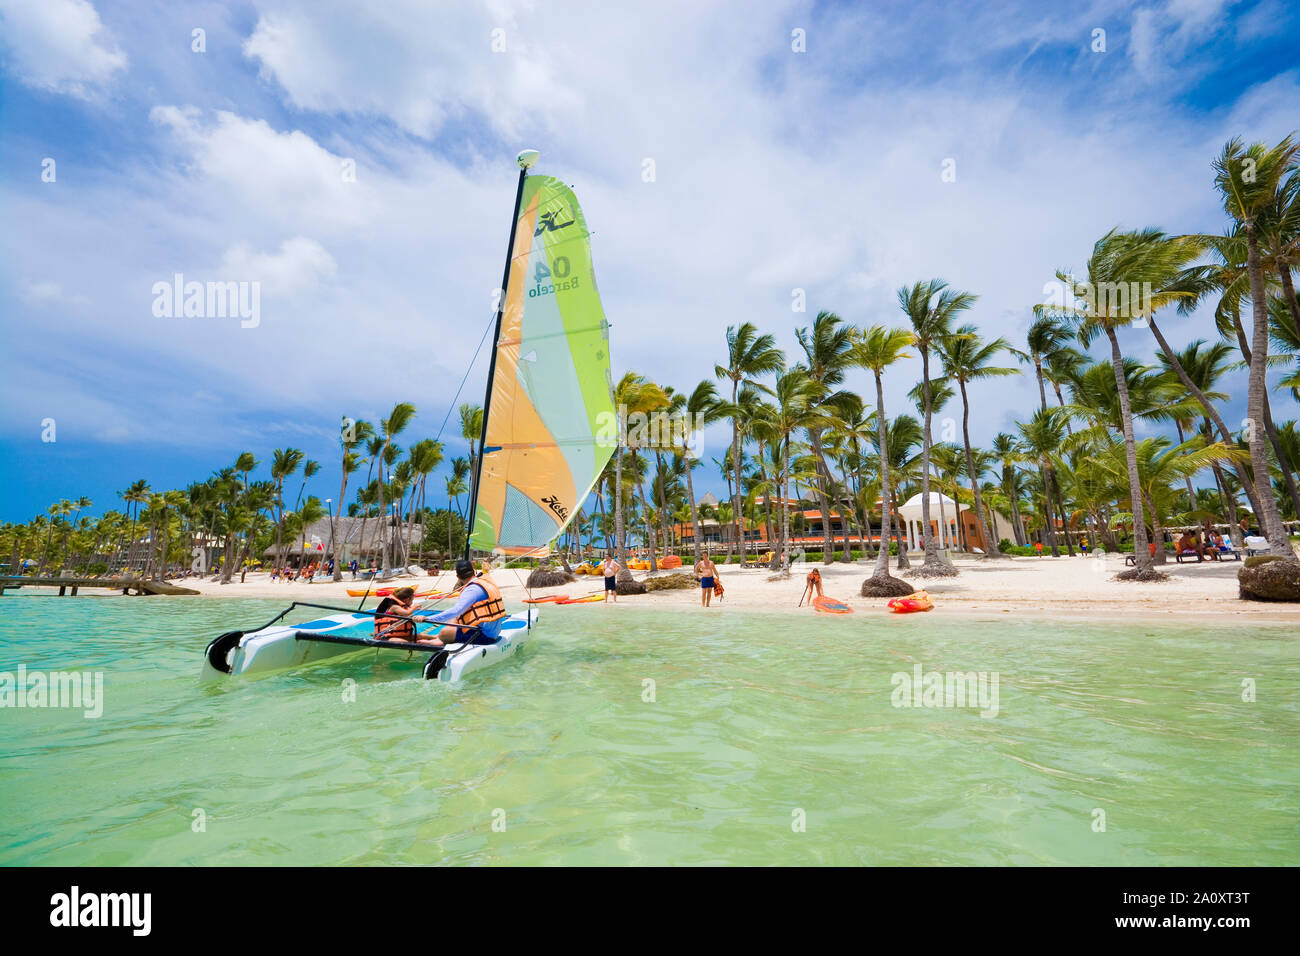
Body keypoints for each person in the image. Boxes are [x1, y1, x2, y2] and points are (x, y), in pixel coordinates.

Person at [418, 559, 509, 647]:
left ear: (457, 576)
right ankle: (437, 637)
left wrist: (428, 618)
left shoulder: (471, 589)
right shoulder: (484, 581)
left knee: (444, 632)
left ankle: (441, 639)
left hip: (485, 635)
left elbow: (455, 610)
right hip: (492, 630)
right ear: (473, 571)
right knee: (455, 618)